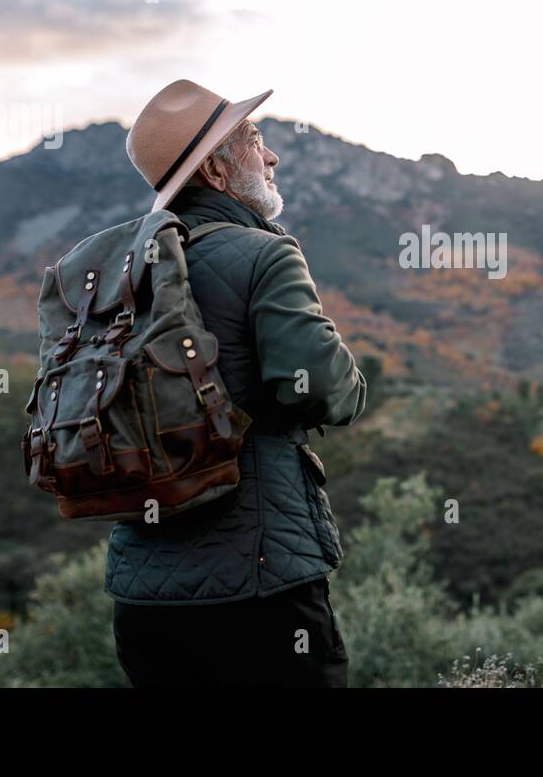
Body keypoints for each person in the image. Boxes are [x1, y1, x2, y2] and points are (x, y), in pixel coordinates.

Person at [108, 79, 367, 687]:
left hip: (142, 597)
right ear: (218, 175)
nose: (272, 156)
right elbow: (322, 388)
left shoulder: (121, 274)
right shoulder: (265, 256)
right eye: (255, 140)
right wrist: (355, 381)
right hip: (260, 584)